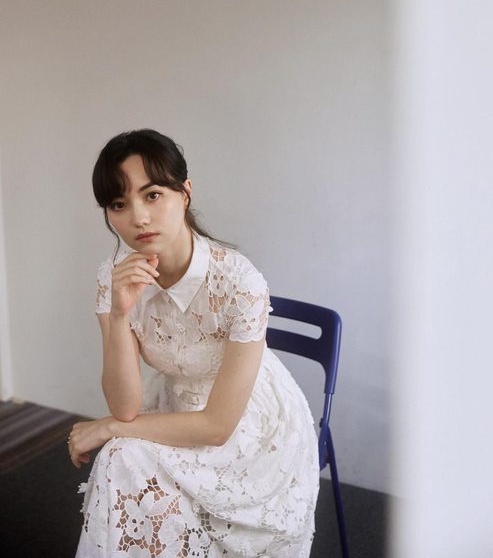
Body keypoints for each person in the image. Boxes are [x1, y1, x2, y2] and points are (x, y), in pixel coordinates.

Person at [70, 129, 320, 557]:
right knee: (121, 458)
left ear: (185, 192)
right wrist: (119, 314)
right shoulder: (113, 277)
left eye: (152, 195)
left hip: (248, 424)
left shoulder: (240, 283)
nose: (139, 218)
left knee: (119, 452)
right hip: (174, 404)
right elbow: (125, 407)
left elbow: (217, 427)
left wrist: (109, 428)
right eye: (119, 204)